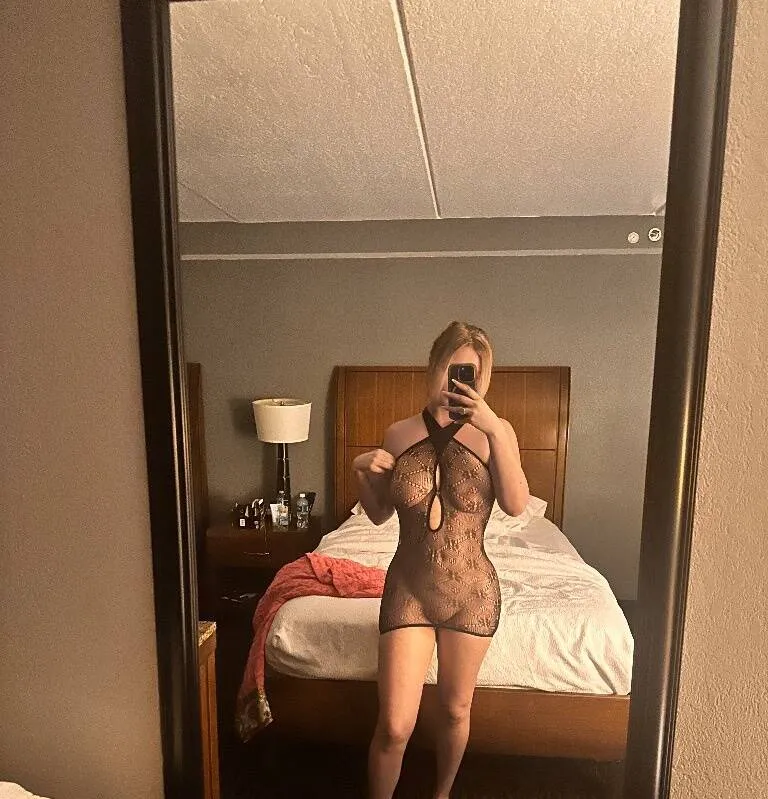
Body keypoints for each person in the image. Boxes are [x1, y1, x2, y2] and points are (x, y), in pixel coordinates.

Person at [353, 321, 530, 799]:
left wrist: (493, 427)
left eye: (472, 373)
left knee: (455, 710)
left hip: (471, 593)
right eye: (454, 369)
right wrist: (360, 470)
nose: (461, 382)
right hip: (408, 591)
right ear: (434, 366)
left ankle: (442, 794)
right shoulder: (399, 433)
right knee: (394, 725)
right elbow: (377, 514)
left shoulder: (497, 433)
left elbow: (516, 504)